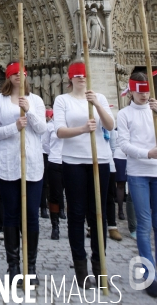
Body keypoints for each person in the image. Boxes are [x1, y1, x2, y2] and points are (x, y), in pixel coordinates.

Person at [53, 61, 114, 287]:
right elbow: (59, 131)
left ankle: (100, 265)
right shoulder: (63, 100)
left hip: (100, 161)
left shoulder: (99, 97)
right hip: (74, 161)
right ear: (70, 78)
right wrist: (82, 129)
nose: (81, 78)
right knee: (77, 214)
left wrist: (97, 104)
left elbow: (110, 125)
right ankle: (81, 266)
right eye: (76, 75)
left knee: (98, 215)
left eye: (83, 75)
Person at [0, 61, 46, 286]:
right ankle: (13, 267)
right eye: (14, 74)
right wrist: (15, 126)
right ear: (8, 77)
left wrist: (29, 112)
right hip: (6, 164)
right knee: (11, 215)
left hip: (31, 164)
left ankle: (30, 267)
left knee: (31, 215)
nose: (18, 77)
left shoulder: (36, 101)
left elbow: (42, 129)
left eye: (21, 74)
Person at [117, 71, 157, 298]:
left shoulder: (155, 111)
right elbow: (123, 144)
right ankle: (148, 274)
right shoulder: (124, 114)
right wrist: (148, 153)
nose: (144, 95)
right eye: (139, 91)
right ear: (131, 91)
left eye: (147, 90)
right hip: (139, 172)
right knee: (144, 224)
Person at [42, 108, 65, 240]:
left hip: (70, 160)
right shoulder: (50, 126)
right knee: (54, 194)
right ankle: (55, 225)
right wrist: (55, 153)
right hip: (55, 160)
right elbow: (45, 144)